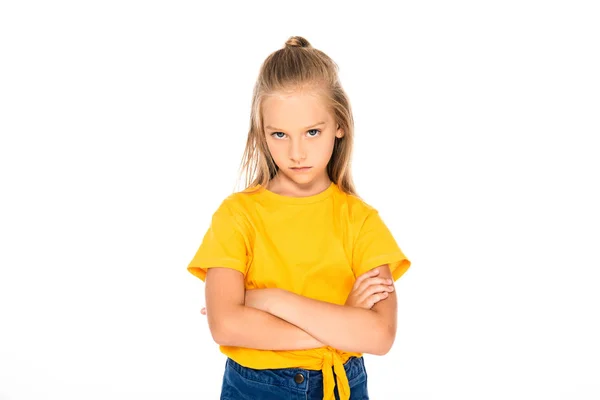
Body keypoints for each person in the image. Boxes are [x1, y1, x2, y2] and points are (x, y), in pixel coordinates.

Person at [187, 35, 411, 400]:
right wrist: (340, 324)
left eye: (312, 132)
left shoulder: (361, 221)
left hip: (341, 386)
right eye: (279, 134)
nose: (296, 152)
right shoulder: (237, 215)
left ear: (339, 124)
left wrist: (269, 299)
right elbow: (226, 325)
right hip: (256, 388)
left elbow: (380, 336)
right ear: (262, 133)